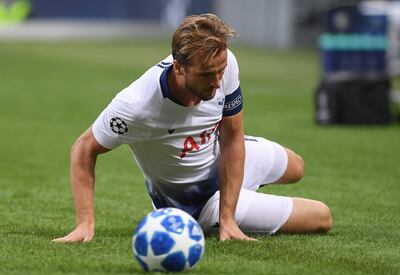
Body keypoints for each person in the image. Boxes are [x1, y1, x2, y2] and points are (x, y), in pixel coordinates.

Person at [53, 13, 332, 243]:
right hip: (196, 205)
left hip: (222, 155)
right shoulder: (136, 106)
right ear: (179, 68)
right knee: (321, 216)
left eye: (220, 71)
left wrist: (230, 218)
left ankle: (240, 199)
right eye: (207, 75)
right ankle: (233, 207)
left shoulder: (224, 64)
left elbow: (233, 138)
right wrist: (84, 224)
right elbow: (84, 148)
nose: (217, 81)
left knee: (297, 167)